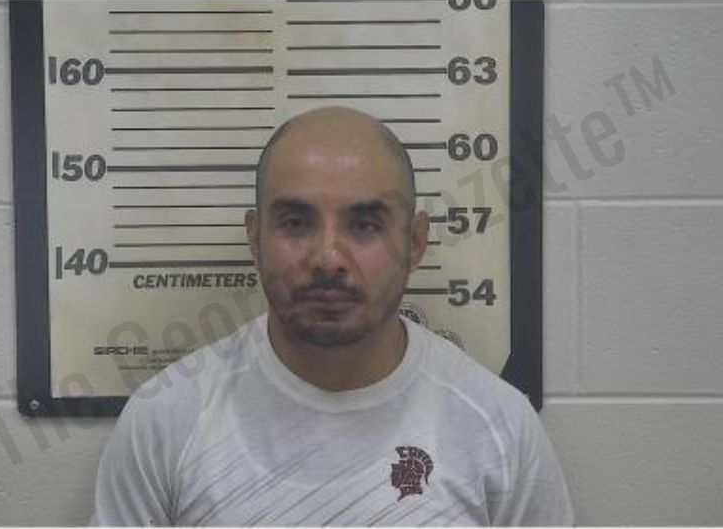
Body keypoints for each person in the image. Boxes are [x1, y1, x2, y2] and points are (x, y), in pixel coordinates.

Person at [91, 106, 574, 526]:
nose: (327, 258)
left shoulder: (498, 429)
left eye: (364, 224)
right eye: (296, 223)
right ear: (255, 239)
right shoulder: (167, 422)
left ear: (415, 242)